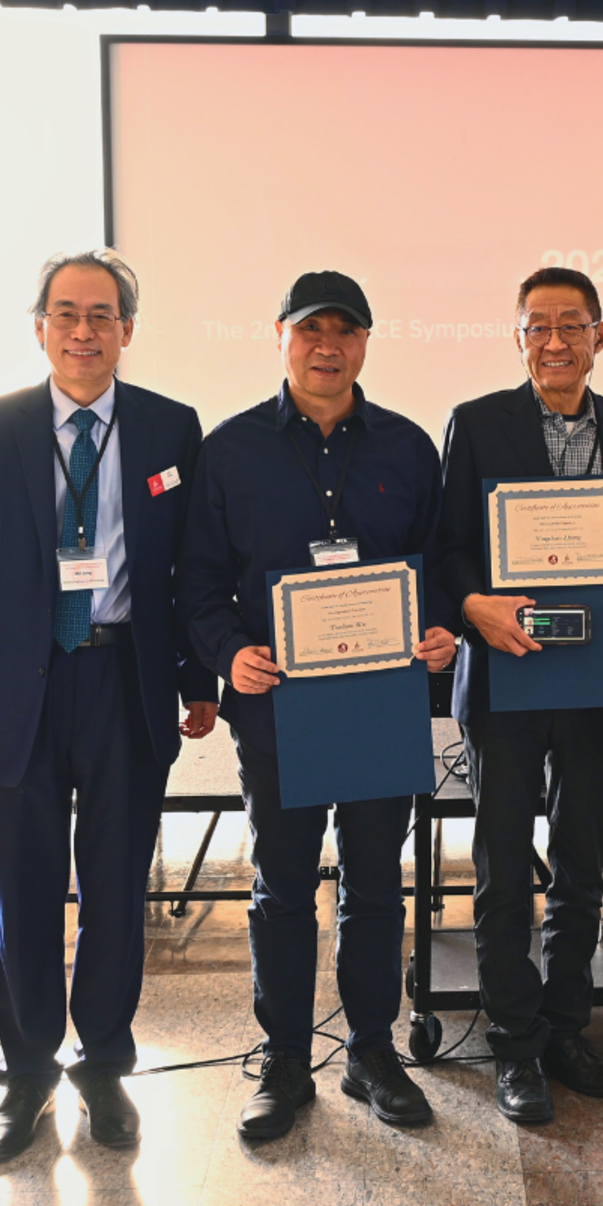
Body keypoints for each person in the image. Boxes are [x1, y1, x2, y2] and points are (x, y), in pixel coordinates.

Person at [0, 249, 222, 1161]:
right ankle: (26, 1076)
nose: (85, 331)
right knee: (22, 888)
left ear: (128, 330)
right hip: (20, 691)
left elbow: (190, 569)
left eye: (102, 315)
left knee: (116, 892)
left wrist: (198, 678)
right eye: (67, 314)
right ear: (41, 327)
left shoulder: (174, 429)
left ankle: (104, 1065)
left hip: (125, 683)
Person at [177, 271, 458, 1141]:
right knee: (282, 888)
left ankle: (372, 1053)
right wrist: (230, 656)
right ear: (280, 336)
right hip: (277, 712)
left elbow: (437, 568)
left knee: (377, 887)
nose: (327, 345)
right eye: (311, 330)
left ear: (367, 343)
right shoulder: (228, 450)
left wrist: (440, 630)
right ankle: (286, 1059)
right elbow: (196, 581)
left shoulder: (410, 448)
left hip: (379, 709)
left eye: (345, 330)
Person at [436, 267, 603, 1125]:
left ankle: (568, 1024)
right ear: (519, 338)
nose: (556, 342)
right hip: (506, 671)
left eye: (573, 325)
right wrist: (470, 606)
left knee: (578, 857)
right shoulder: (477, 423)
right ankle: (513, 1039)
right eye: (539, 326)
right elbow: (449, 546)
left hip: (593, 676)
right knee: (502, 863)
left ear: (600, 336)